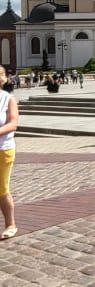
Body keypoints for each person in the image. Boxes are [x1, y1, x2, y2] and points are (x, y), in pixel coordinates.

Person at [0, 67, 18, 240]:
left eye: (1, 74)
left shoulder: (8, 98)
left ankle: (10, 224)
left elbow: (13, 124)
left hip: (3, 149)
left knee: (2, 187)